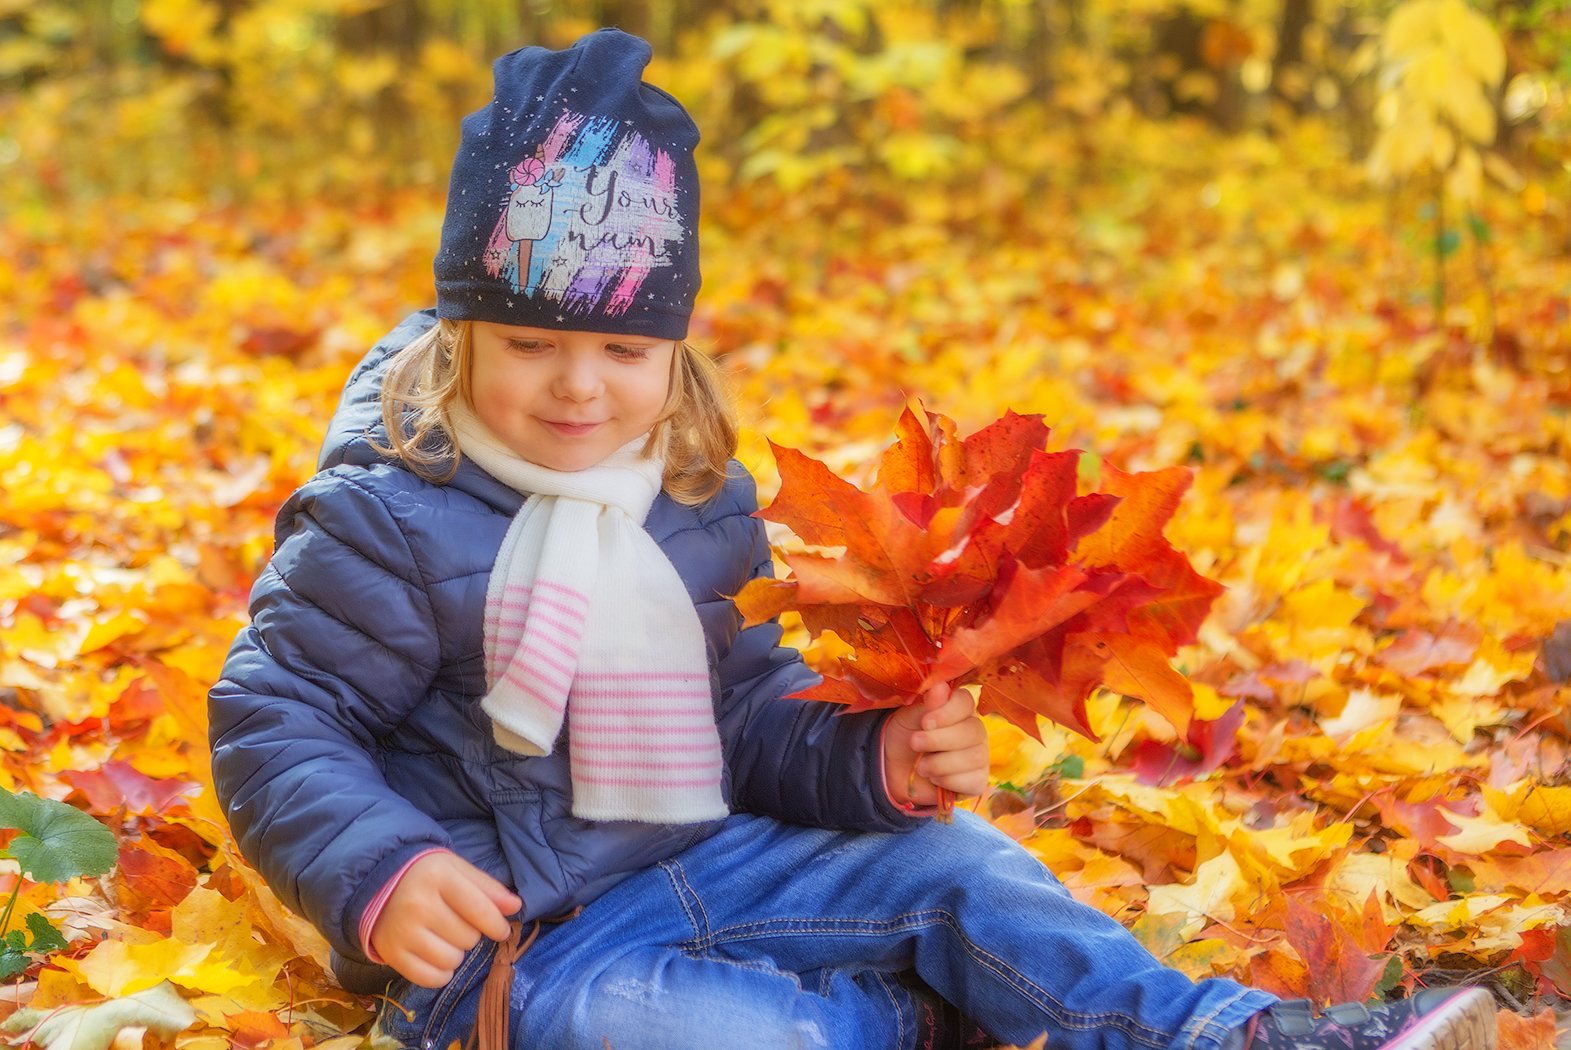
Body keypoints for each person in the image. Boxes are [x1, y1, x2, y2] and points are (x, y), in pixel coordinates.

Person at [207, 27, 1499, 1050]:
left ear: (674, 344)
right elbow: (278, 715)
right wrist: (384, 867)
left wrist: (871, 757)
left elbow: (752, 711)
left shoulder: (691, 490)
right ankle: (915, 1017)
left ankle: (1230, 1031)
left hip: (719, 853)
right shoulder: (390, 512)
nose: (578, 387)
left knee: (962, 861)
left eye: (621, 346)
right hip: (530, 943)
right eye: (530, 344)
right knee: (660, 1029)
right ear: (459, 337)